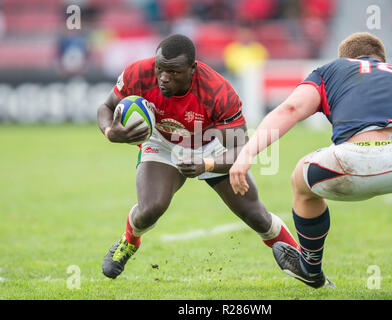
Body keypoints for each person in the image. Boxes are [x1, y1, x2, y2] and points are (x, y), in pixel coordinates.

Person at [229, 32, 392, 289]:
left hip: (358, 160)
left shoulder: (332, 69)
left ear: (344, 58)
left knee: (301, 180)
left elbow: (291, 109)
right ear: (381, 59)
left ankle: (310, 268)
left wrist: (246, 153)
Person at [97, 34, 301, 279]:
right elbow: (106, 107)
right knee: (151, 208)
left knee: (256, 216)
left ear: (192, 69)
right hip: (163, 141)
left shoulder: (218, 91)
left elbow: (242, 150)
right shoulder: (139, 73)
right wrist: (110, 131)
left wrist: (207, 163)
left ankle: (305, 264)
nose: (163, 77)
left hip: (210, 146)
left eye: (173, 72)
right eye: (160, 69)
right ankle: (129, 240)